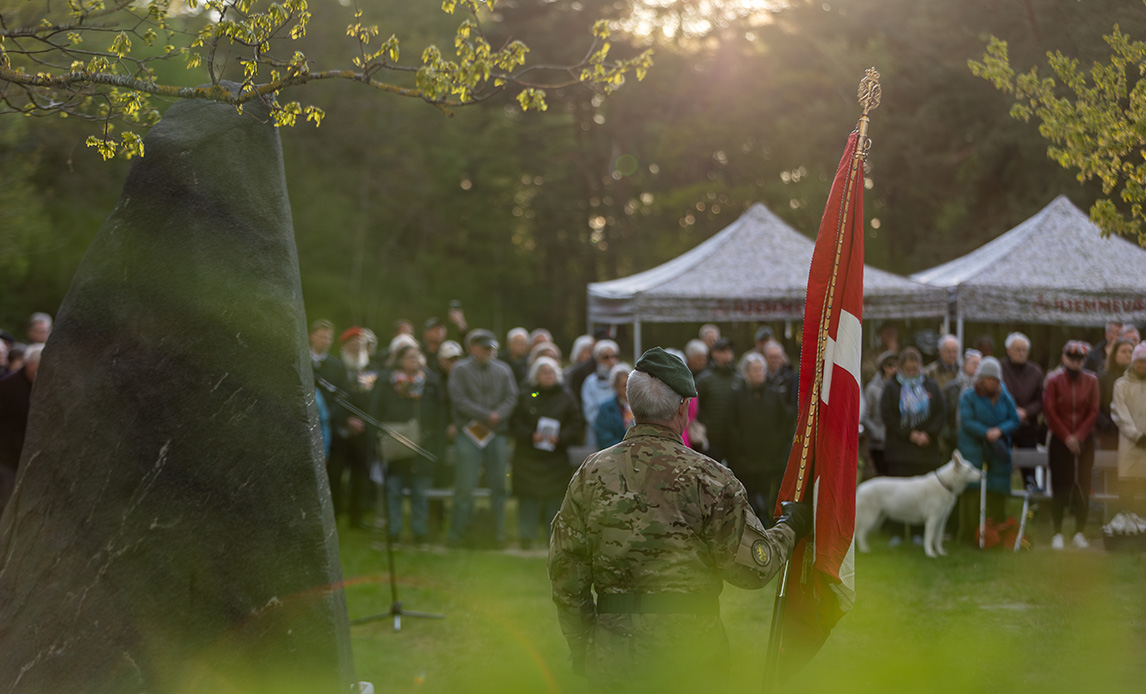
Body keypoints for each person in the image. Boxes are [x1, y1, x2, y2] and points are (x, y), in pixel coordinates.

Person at [548, 347, 811, 691]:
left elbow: (566, 575)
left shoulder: (590, 474)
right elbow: (753, 569)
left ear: (632, 405)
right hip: (692, 652)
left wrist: (584, 646)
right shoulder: (711, 478)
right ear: (684, 407)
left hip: (615, 653)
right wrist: (792, 526)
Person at [448, 329, 518, 547]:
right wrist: (486, 415)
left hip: (496, 435)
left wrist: (499, 414)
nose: (489, 351)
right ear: (472, 348)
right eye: (485, 347)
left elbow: (512, 395)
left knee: (499, 485)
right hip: (469, 433)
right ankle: (458, 535)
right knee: (465, 485)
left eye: (492, 347)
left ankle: (497, 535)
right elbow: (458, 399)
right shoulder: (459, 370)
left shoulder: (503, 369)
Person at [370, 343, 445, 545]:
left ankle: (419, 533)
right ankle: (393, 531)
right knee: (394, 489)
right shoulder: (387, 382)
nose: (415, 360)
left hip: (423, 444)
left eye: (417, 356)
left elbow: (440, 415)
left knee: (420, 491)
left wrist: (436, 441)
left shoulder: (431, 383)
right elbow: (376, 409)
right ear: (400, 360)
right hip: (396, 443)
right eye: (410, 356)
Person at [510, 356, 584, 549]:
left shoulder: (566, 395)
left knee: (554, 499)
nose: (549, 376)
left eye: (551, 372)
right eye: (544, 372)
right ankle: (526, 538)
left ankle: (553, 538)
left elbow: (576, 422)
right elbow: (515, 422)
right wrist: (529, 435)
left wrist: (561, 438)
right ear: (536, 375)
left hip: (555, 457)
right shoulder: (528, 394)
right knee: (528, 498)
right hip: (528, 456)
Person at [880, 347, 946, 544]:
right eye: (907, 369)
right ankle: (897, 533)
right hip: (900, 450)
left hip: (926, 450)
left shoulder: (931, 386)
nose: (911, 371)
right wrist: (910, 434)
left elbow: (940, 413)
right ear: (901, 368)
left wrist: (928, 434)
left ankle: (918, 533)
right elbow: (888, 416)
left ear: (920, 366)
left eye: (914, 368)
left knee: (922, 495)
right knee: (898, 495)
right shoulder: (892, 388)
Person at [1043, 341, 1100, 550]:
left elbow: (1093, 411)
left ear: (1084, 360)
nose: (1075, 362)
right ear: (1064, 357)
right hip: (1060, 440)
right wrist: (1067, 437)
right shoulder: (1054, 381)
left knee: (1083, 485)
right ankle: (1057, 532)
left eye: (1079, 359)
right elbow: (1050, 410)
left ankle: (1079, 532)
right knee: (1060, 484)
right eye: (1071, 358)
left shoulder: (1092, 381)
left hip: (1084, 440)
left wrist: (1079, 436)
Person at [956, 356, 1021, 535]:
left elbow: (1014, 419)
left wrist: (999, 431)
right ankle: (971, 534)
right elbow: (967, 421)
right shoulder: (968, 396)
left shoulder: (1004, 395)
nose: (993, 383)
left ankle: (997, 533)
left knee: (997, 491)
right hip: (974, 448)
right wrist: (986, 432)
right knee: (973, 492)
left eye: (996, 380)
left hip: (998, 450)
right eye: (990, 379)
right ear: (981, 379)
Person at [729, 351, 796, 520]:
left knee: (767, 497)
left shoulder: (774, 396)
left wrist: (778, 441)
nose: (759, 374)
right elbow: (731, 425)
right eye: (755, 370)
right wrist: (739, 448)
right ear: (746, 373)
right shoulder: (737, 397)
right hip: (745, 461)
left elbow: (786, 421)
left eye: (761, 370)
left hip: (769, 459)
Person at [328, 327, 381, 529]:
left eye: (360, 346)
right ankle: (332, 515)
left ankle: (356, 517)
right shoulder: (334, 368)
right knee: (335, 474)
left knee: (361, 476)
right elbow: (331, 399)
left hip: (362, 433)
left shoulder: (369, 369)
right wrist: (345, 421)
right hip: (339, 432)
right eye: (352, 346)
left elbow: (371, 400)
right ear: (344, 347)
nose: (356, 349)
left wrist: (362, 422)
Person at [0, 344, 43, 514]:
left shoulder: (46, 385)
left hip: (31, 459)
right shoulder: (7, 388)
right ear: (31, 364)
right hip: (8, 458)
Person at [1110, 342, 1146, 515]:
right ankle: (1127, 530)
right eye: (1139, 361)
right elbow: (1119, 412)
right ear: (1133, 362)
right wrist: (1136, 435)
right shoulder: (1121, 385)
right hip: (1129, 445)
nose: (1142, 365)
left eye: (1145, 361)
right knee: (1128, 489)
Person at [695, 338, 741, 463]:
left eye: (729, 350)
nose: (728, 353)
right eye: (723, 350)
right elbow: (695, 408)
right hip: (712, 440)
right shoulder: (704, 380)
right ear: (715, 353)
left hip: (735, 440)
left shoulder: (740, 378)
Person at [861, 350, 898, 477]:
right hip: (877, 443)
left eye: (896, 365)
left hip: (896, 441)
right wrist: (876, 432)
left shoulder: (901, 388)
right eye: (890, 366)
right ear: (884, 368)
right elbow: (865, 415)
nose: (893, 369)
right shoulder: (872, 389)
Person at [580, 339, 621, 450]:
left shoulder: (624, 380)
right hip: (597, 436)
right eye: (606, 357)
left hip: (621, 436)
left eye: (614, 356)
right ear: (597, 359)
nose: (611, 360)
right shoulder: (590, 382)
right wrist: (604, 428)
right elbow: (589, 411)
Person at [1096, 338, 1135, 450]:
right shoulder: (1103, 378)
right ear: (1114, 355)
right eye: (1124, 352)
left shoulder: (1138, 380)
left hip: (1133, 434)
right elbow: (1096, 407)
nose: (1128, 355)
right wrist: (1105, 427)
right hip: (1110, 434)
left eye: (1130, 352)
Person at [593, 362, 634, 449]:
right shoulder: (605, 409)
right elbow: (604, 438)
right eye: (624, 385)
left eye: (629, 384)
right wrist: (626, 448)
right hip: (614, 455)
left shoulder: (640, 405)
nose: (627, 388)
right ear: (615, 387)